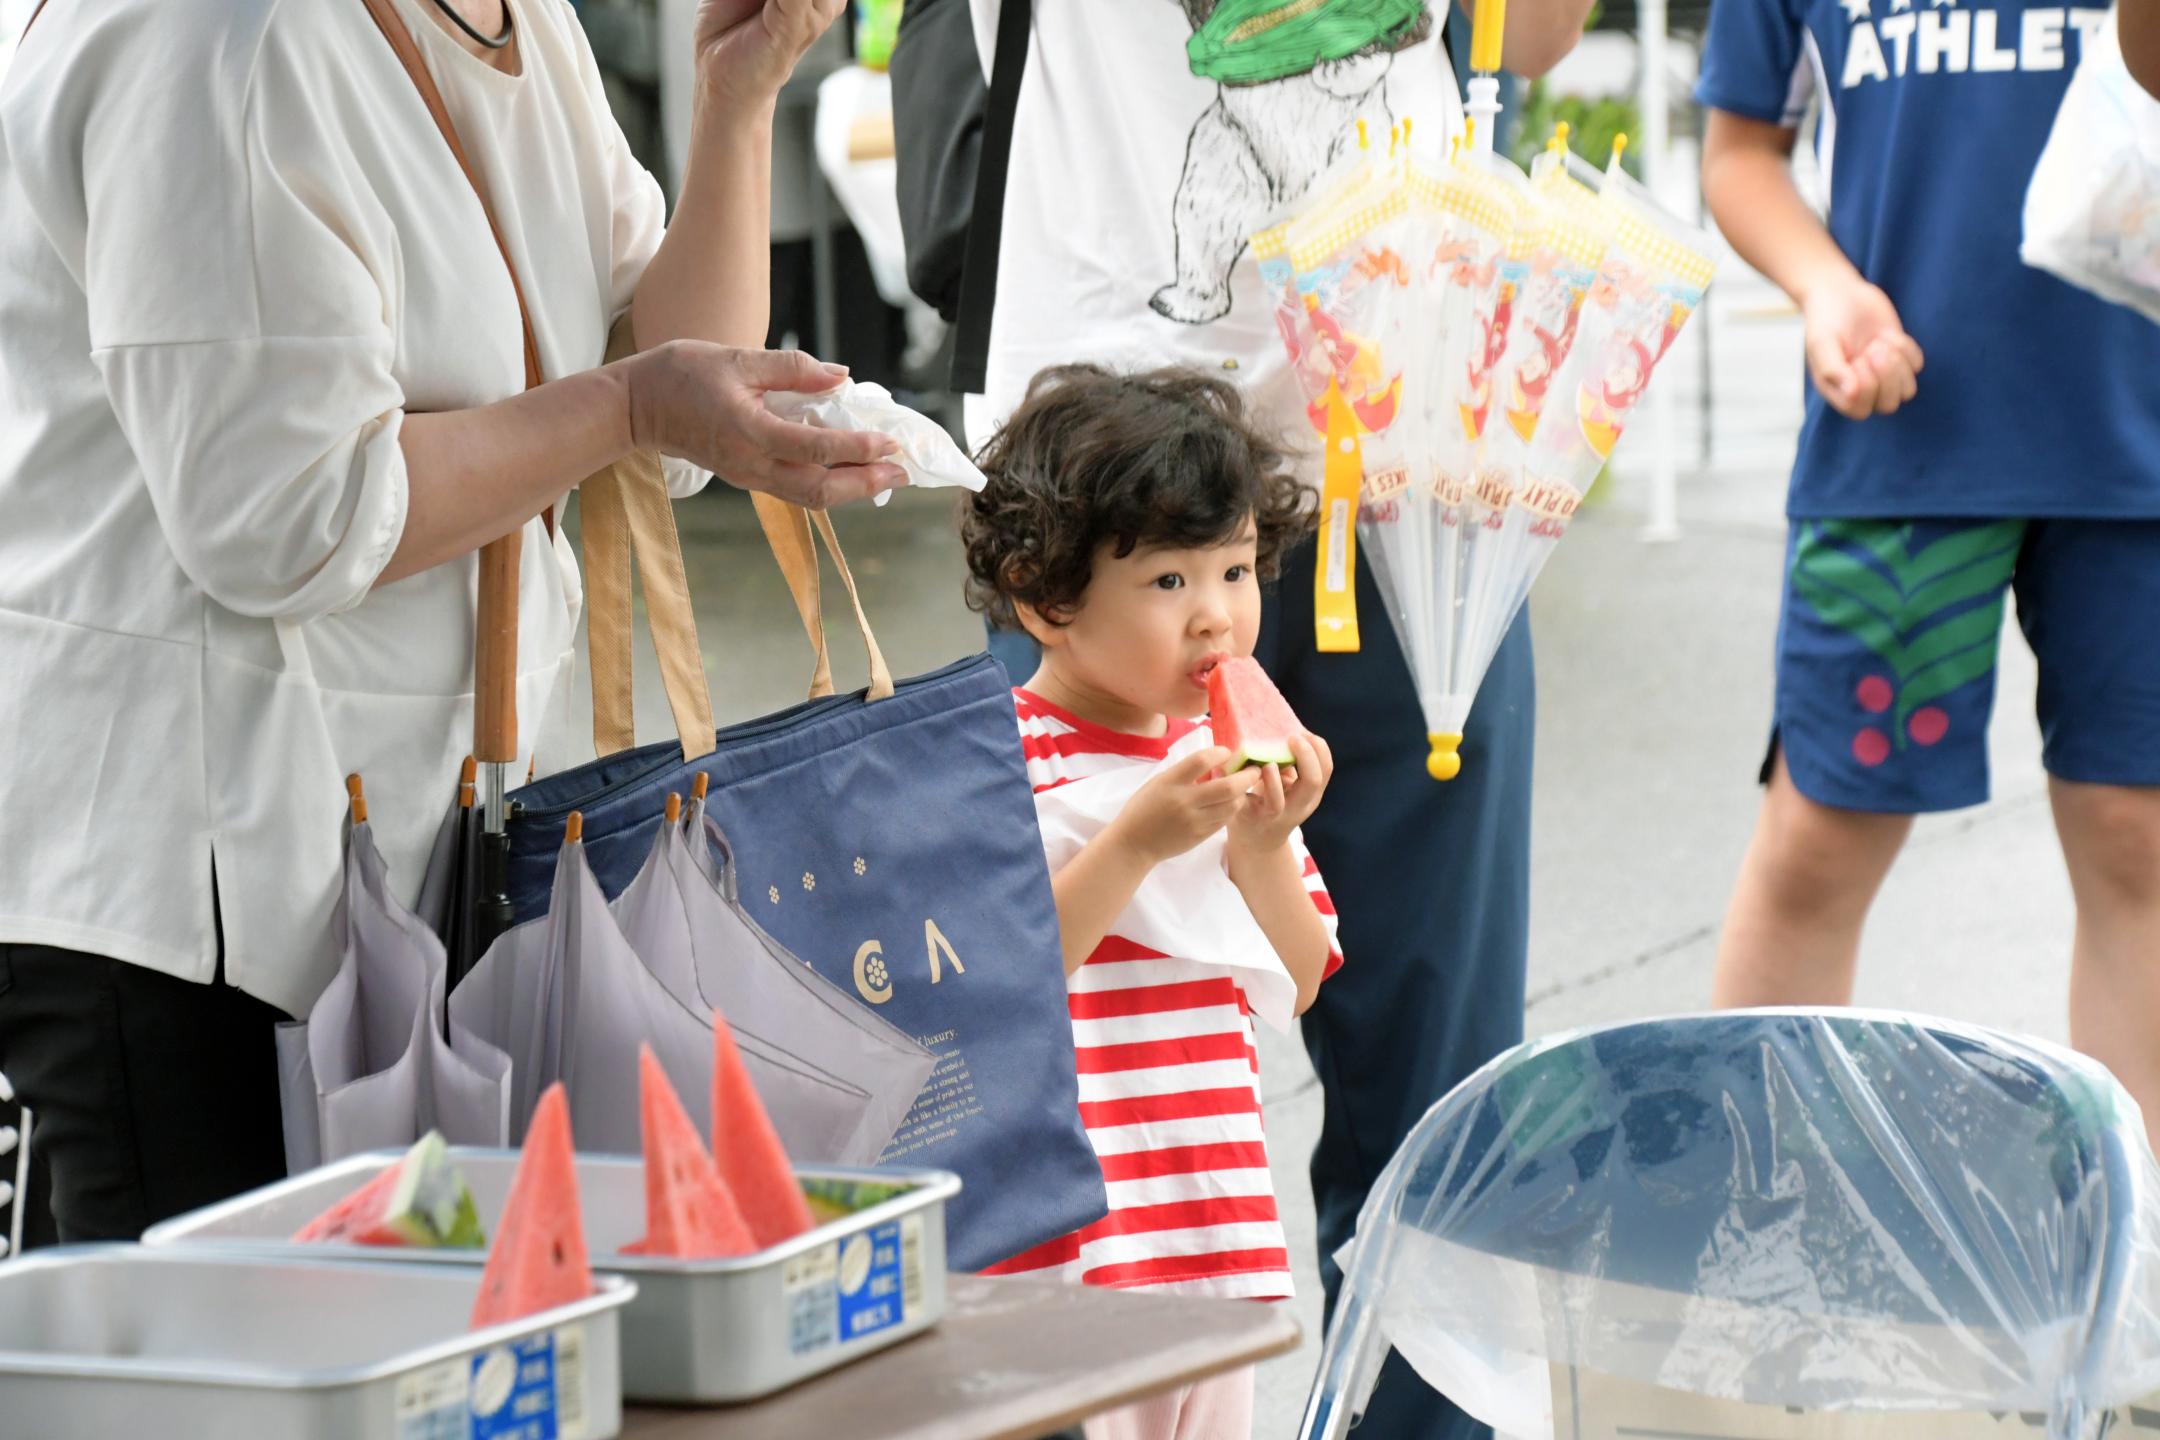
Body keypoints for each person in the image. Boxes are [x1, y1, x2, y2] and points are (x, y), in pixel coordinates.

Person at [0, 0, 910, 1244]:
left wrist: (737, 100)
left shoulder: (514, 18)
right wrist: (631, 409)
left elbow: (664, 356)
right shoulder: (212, 36)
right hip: (190, 907)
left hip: (386, 870)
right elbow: (290, 512)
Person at [950, 4, 1589, 1435]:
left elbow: (1532, 35)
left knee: (1445, 1098)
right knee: (1065, 1048)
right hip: (1101, 474)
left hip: (1415, 451)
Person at [1699, 0, 2160, 1134]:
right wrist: (1823, 286)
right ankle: (1753, 1221)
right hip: (1899, 441)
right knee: (1821, 835)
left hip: (2143, 448)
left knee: (2138, 838)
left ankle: (2136, 1266)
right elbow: (1739, 149)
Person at [962, 365, 1339, 1440]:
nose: (1216, 618)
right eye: (1170, 582)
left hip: (1215, 1229)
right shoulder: (992, 762)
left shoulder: (1219, 759)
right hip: (1070, 1257)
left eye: (1234, 569)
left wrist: (1263, 843)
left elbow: (1306, 972)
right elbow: (1004, 984)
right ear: (1045, 595)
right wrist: (1132, 844)